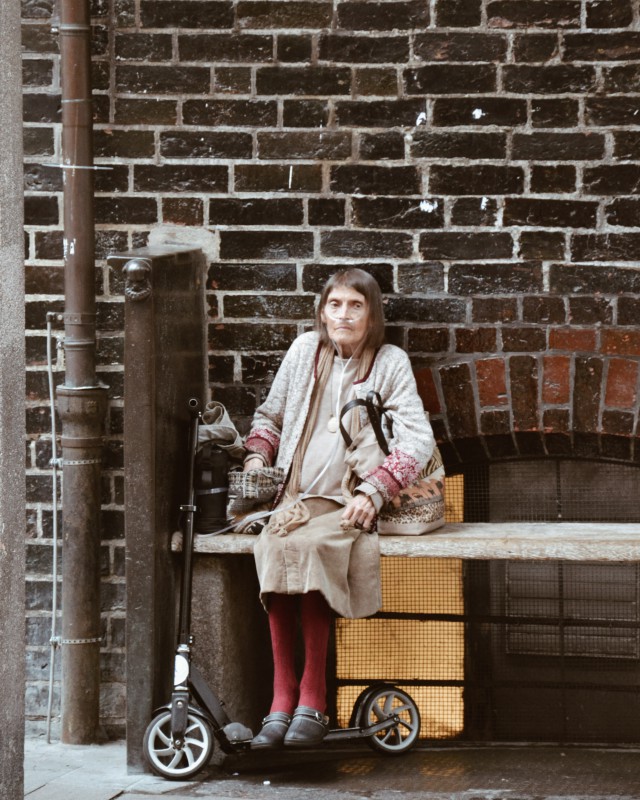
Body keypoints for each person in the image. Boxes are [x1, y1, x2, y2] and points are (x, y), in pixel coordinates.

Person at [242, 268, 435, 749]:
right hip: (294, 498)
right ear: (322, 312)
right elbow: (270, 417)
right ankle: (281, 698)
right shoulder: (304, 352)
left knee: (315, 551)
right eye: (335, 305)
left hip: (349, 499)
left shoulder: (389, 362)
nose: (343, 315)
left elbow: (418, 439)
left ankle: (313, 697)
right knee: (273, 548)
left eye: (355, 306)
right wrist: (257, 456)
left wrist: (375, 491)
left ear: (372, 316)